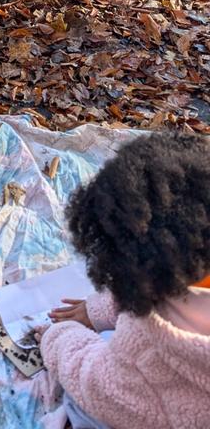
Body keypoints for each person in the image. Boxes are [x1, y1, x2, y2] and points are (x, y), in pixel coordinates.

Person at [38, 131, 210, 429]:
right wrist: (103, 309)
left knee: (83, 413)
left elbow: (96, 383)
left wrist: (59, 337)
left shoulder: (145, 352)